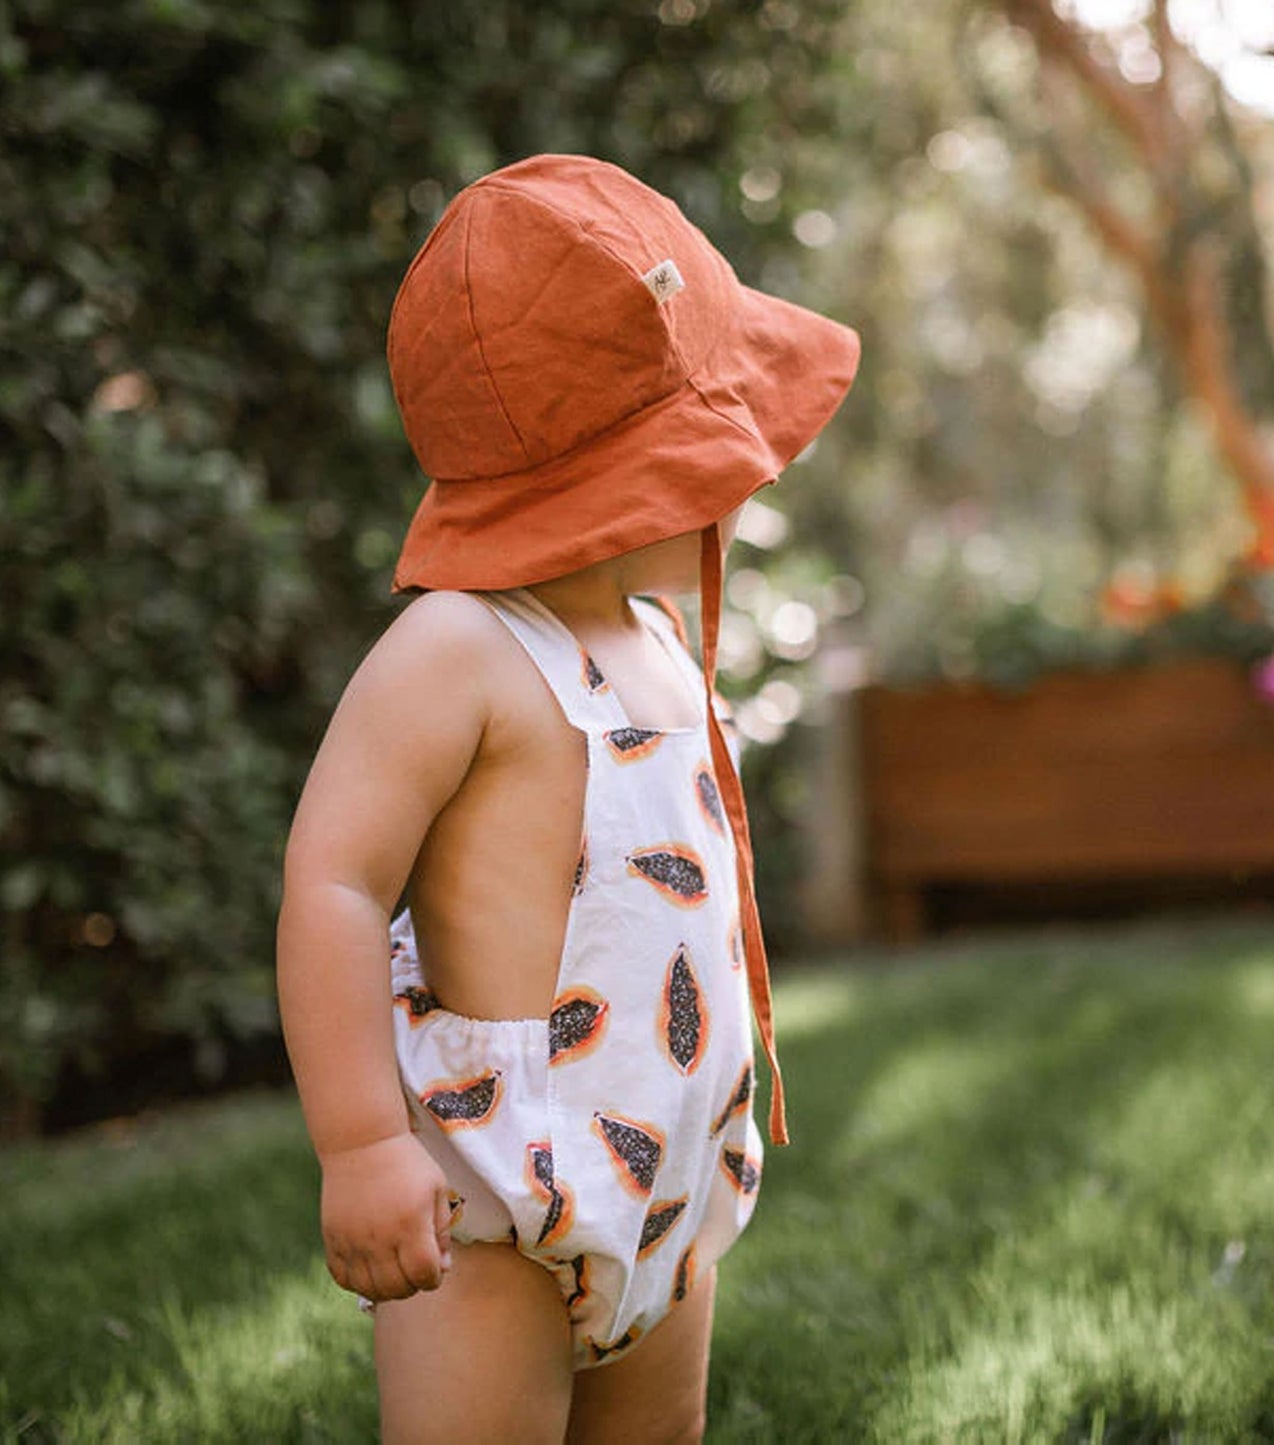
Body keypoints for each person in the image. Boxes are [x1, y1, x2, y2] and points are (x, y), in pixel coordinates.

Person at [275, 154, 859, 1442]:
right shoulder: (457, 650)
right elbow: (334, 880)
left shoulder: (655, 636)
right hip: (494, 1187)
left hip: (668, 1163)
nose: (750, 474)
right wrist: (364, 1147)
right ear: (607, 487)